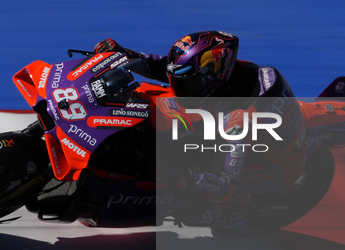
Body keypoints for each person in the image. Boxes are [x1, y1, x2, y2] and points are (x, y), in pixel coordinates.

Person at [92, 31, 306, 207]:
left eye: (186, 85)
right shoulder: (225, 73)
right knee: (152, 98)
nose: (178, 89)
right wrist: (125, 54)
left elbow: (227, 180)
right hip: (230, 118)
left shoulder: (240, 124)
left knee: (188, 177)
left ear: (213, 77)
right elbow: (168, 68)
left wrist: (179, 175)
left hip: (269, 167)